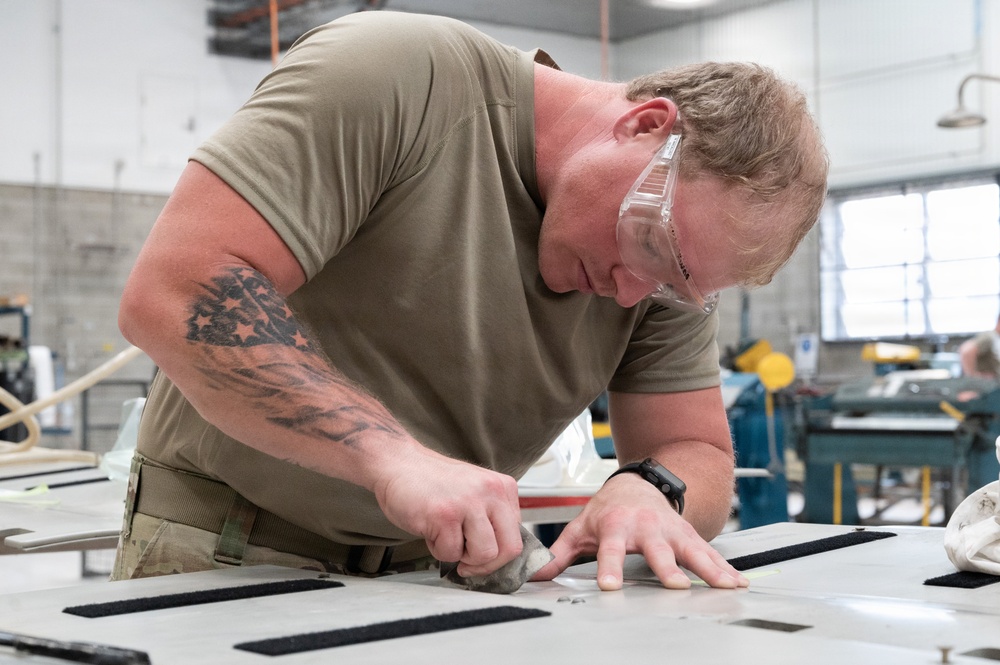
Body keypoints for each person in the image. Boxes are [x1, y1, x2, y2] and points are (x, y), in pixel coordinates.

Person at [113, 10, 828, 592]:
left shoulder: (666, 258)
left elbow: (697, 448)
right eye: (651, 246)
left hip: (435, 573)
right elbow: (175, 290)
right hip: (229, 544)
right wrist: (391, 457)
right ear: (644, 126)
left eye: (678, 286)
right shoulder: (398, 76)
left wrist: (651, 488)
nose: (633, 291)